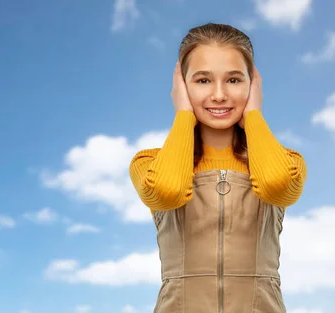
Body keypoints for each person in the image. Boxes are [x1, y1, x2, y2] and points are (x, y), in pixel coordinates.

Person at [128, 23, 307, 313]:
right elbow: (166, 190)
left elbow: (277, 184)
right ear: (181, 86)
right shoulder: (149, 163)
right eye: (203, 81)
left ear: (254, 84)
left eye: (234, 80)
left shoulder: (286, 161)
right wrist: (184, 114)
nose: (220, 95)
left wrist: (253, 116)